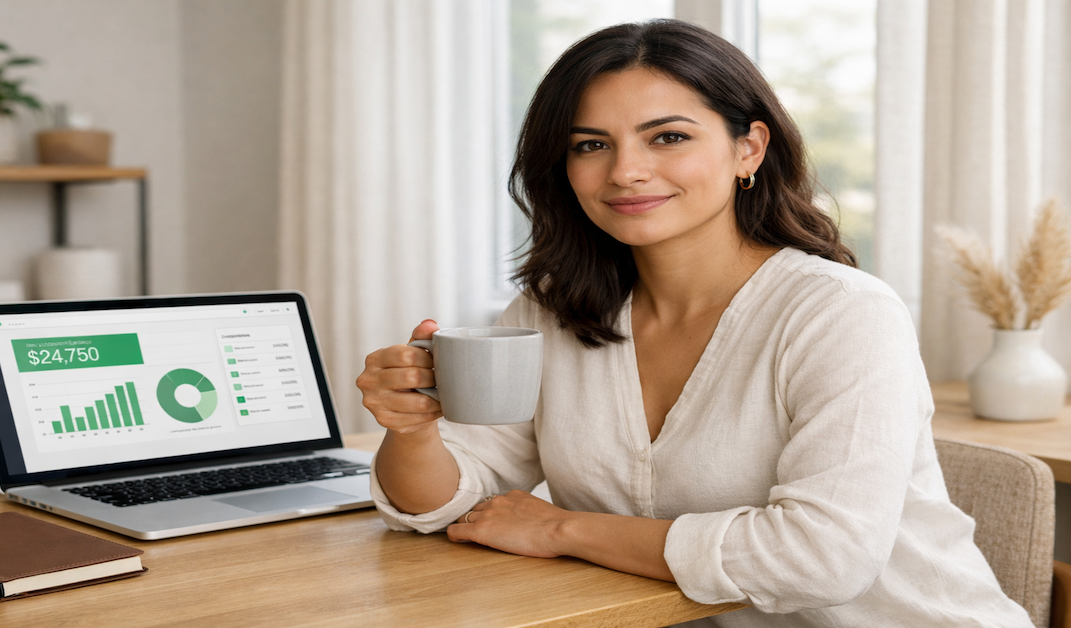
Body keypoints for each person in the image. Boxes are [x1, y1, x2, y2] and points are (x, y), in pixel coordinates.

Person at [356, 19, 1032, 627]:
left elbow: (818, 560)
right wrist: (412, 430)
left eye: (668, 137)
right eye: (591, 144)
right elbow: (451, 505)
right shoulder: (553, 312)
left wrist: (564, 530)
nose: (625, 171)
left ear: (749, 149)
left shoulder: (842, 314)